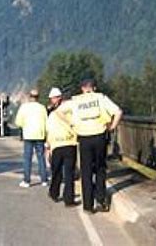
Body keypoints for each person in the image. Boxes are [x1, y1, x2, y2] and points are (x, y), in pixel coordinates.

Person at [57, 78, 122, 213]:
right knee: (100, 168)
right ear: (94, 88)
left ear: (82, 89)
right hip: (99, 136)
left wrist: (71, 123)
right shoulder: (100, 98)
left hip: (84, 138)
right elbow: (118, 111)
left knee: (86, 171)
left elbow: (59, 111)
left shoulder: (76, 101)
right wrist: (112, 127)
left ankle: (87, 205)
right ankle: (100, 200)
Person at [46, 87, 79, 206]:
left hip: (56, 145)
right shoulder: (73, 109)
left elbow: (48, 131)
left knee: (56, 171)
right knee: (69, 173)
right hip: (70, 144)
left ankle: (54, 193)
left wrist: (48, 147)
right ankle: (69, 200)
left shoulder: (53, 114)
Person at [15, 89, 49, 188]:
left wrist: (25, 125)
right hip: (40, 135)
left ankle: (27, 181)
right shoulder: (42, 108)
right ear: (38, 97)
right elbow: (46, 122)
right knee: (41, 157)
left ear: (29, 97)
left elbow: (18, 122)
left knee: (27, 158)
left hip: (28, 135)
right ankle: (44, 180)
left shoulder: (24, 107)